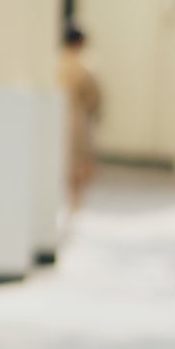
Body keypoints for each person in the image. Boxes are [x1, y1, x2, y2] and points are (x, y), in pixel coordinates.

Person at [58, 25, 103, 214]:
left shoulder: (57, 62)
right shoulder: (84, 65)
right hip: (77, 118)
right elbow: (94, 96)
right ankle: (74, 204)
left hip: (58, 117)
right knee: (77, 162)